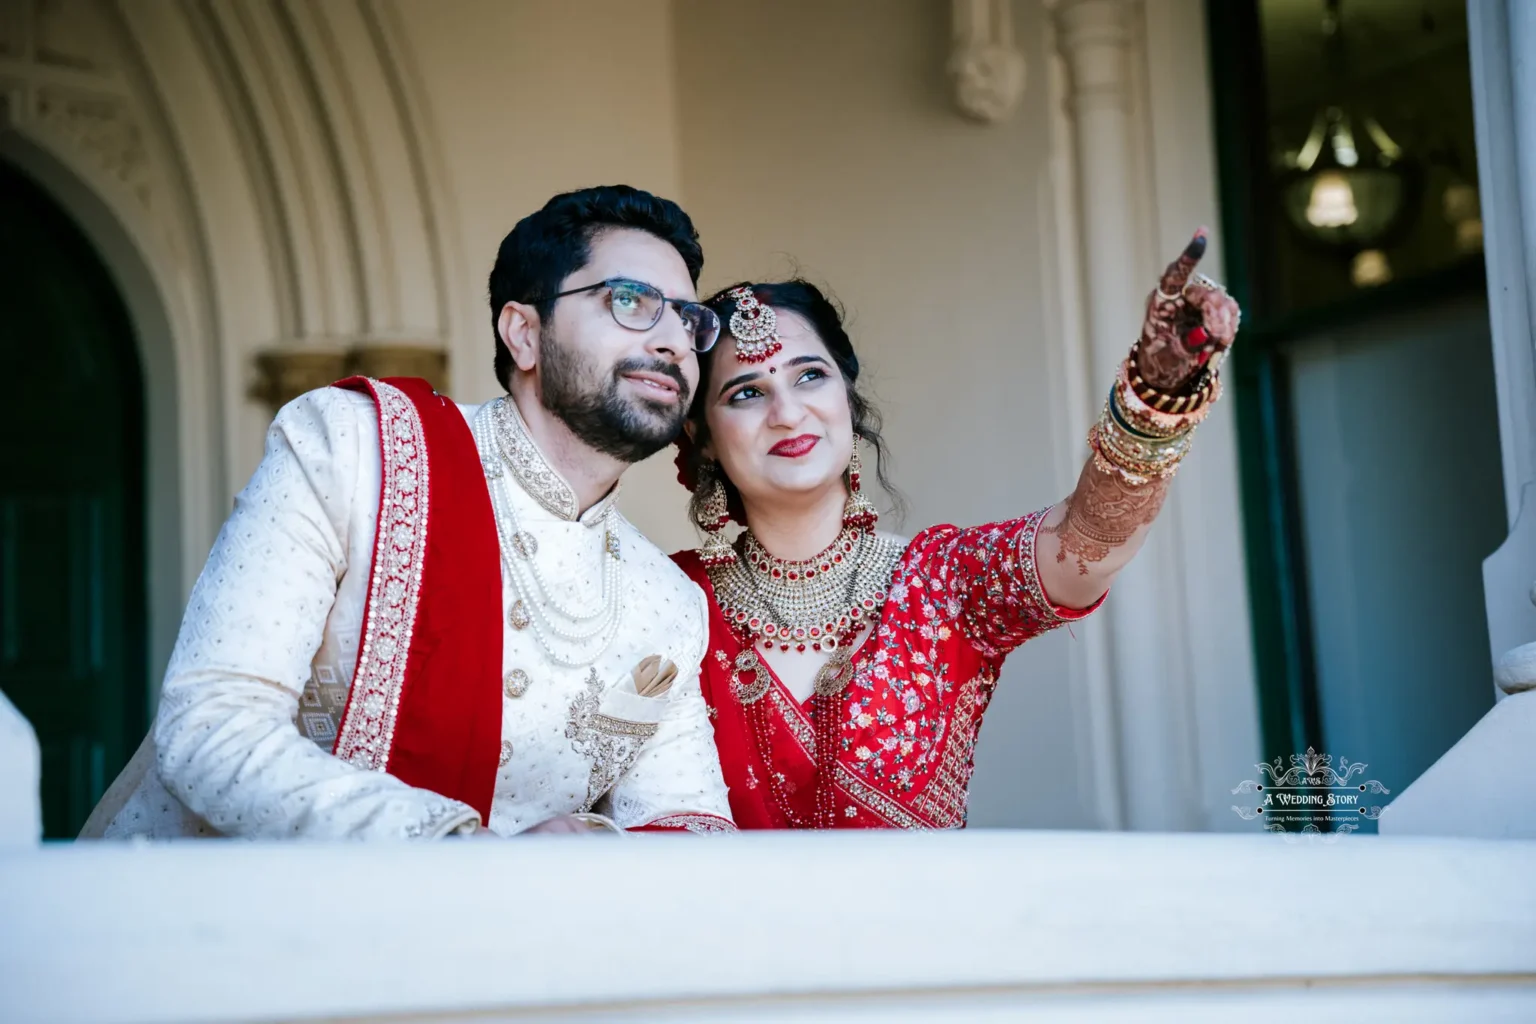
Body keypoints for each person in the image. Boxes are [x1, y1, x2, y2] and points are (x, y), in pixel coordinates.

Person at [82, 185, 736, 839]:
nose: (675, 341)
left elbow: (688, 825)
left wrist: (591, 842)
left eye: (687, 319)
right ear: (524, 333)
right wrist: (461, 853)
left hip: (505, 941)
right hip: (223, 923)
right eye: (631, 301)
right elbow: (212, 724)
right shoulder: (353, 448)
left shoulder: (668, 603)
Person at [672, 231, 1239, 829]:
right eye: (746, 393)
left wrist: (1155, 402)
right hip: (733, 924)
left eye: (809, 376)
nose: (787, 412)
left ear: (847, 395)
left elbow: (1087, 547)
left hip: (930, 921)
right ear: (701, 437)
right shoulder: (668, 603)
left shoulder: (940, 583)